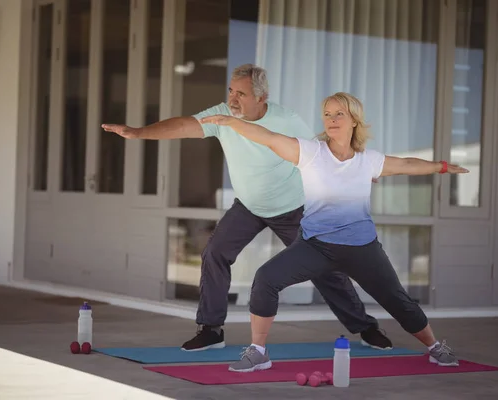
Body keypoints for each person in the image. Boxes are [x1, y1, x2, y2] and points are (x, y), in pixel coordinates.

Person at [102, 64, 392, 352]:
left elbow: (323, 148)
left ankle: (366, 327)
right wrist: (138, 133)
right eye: (231, 91)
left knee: (324, 269)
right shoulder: (223, 116)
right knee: (215, 253)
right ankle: (211, 329)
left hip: (293, 207)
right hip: (249, 205)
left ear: (261, 97)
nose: (233, 98)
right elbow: (182, 125)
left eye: (241, 93)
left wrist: (356, 167)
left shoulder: (286, 119)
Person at [198, 92, 468, 372]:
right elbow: (268, 137)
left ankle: (435, 347)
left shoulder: (367, 161)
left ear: (354, 120)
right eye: (327, 114)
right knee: (266, 278)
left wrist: (442, 166)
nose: (332, 119)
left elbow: (406, 164)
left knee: (397, 300)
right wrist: (231, 122)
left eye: (339, 113)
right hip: (315, 246)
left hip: (362, 249)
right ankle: (258, 351)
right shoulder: (311, 153)